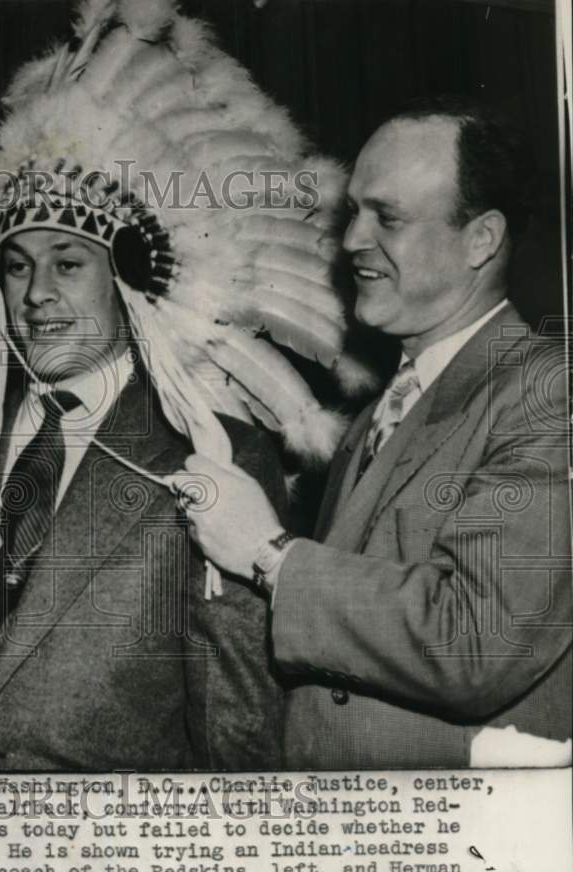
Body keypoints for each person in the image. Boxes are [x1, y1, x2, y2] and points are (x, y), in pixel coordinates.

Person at [0, 0, 376, 771]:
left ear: (124, 288)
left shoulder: (211, 463)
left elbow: (237, 727)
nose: (36, 295)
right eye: (17, 268)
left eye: (67, 264)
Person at [176, 97, 572, 769]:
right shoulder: (383, 410)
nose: (353, 239)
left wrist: (271, 555)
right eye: (354, 210)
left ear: (481, 239)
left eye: (386, 217)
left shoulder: (546, 392)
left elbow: (474, 642)